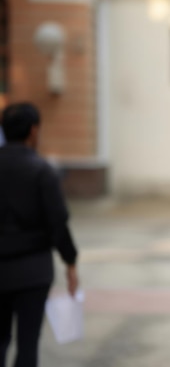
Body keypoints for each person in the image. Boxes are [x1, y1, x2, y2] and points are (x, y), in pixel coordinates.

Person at [0, 102, 79, 367]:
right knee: (28, 343)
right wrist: (70, 262)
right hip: (32, 273)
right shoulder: (42, 171)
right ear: (34, 130)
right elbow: (58, 223)